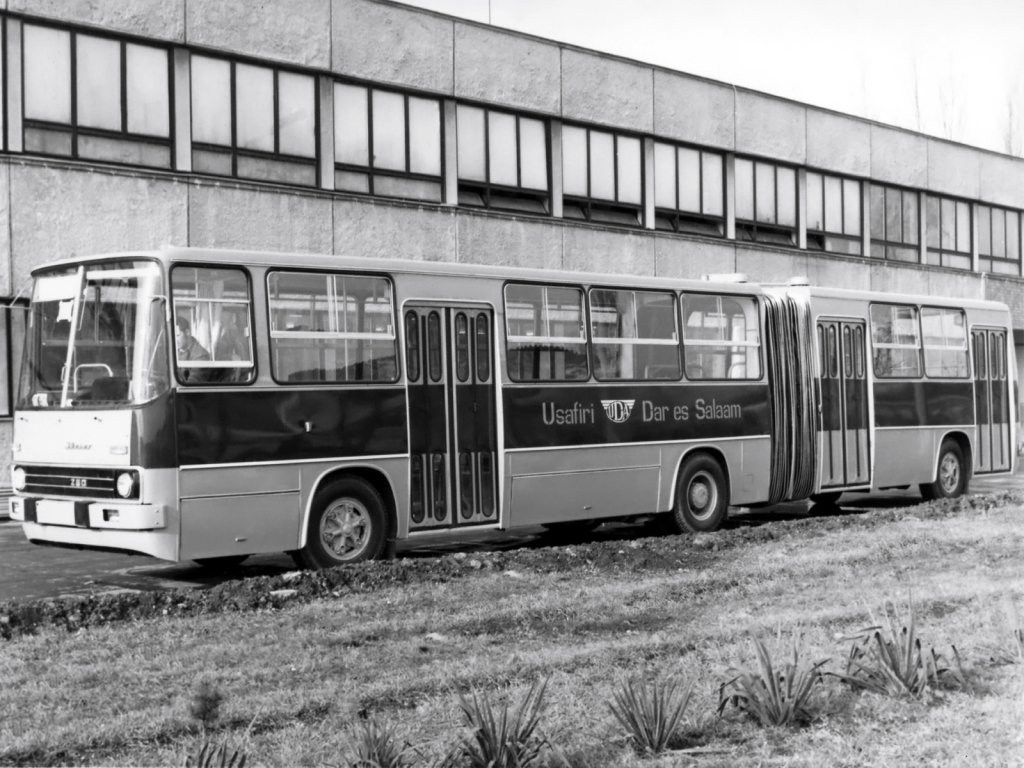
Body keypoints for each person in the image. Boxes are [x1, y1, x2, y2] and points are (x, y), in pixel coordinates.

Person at [175, 315, 210, 382]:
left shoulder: (201, 355)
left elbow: (192, 382)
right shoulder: (177, 351)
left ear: (187, 332)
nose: (175, 340)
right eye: (173, 336)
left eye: (178, 335)